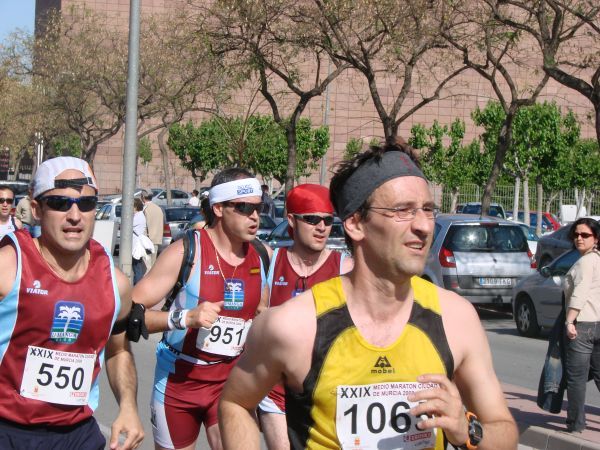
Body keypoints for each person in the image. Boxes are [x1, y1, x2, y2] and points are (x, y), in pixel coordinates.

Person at [219, 143, 518, 450]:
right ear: (355, 223)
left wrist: (467, 428)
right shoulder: (292, 326)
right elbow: (236, 404)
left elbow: (504, 430)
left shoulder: (457, 318)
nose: (424, 226)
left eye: (428, 209)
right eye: (402, 210)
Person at [0, 156, 144, 450]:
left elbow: (118, 352)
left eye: (87, 204)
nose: (75, 215)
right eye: (60, 204)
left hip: (77, 435)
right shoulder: (8, 267)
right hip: (8, 431)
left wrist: (128, 407)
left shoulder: (116, 283)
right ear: (37, 210)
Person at [132, 168, 271, 450]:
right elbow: (131, 316)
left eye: (260, 208)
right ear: (218, 208)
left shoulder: (261, 254)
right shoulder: (185, 252)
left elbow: (262, 312)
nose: (255, 216)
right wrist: (185, 318)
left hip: (231, 382)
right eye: (245, 208)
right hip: (180, 383)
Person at [258, 183, 353, 450]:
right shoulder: (271, 261)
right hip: (277, 389)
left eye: (327, 220)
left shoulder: (345, 268)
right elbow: (258, 316)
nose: (321, 227)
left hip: (328, 389)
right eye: (312, 220)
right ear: (291, 220)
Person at [564, 217, 600, 432]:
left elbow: (580, 293)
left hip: (583, 325)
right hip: (598, 324)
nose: (579, 238)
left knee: (576, 378)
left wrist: (569, 321)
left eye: (585, 235)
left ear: (595, 238)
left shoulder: (585, 262)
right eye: (576, 234)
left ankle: (575, 424)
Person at [141, 189, 164, 268]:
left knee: (146, 266)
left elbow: (143, 226)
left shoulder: (145, 209)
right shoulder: (158, 208)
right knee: (153, 265)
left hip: (146, 240)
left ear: (143, 197)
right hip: (156, 240)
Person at [132, 197, 149, 285]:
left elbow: (128, 224)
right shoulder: (138, 215)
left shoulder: (138, 216)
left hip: (136, 246)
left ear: (135, 207)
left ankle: (137, 286)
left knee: (137, 268)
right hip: (135, 245)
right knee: (136, 267)